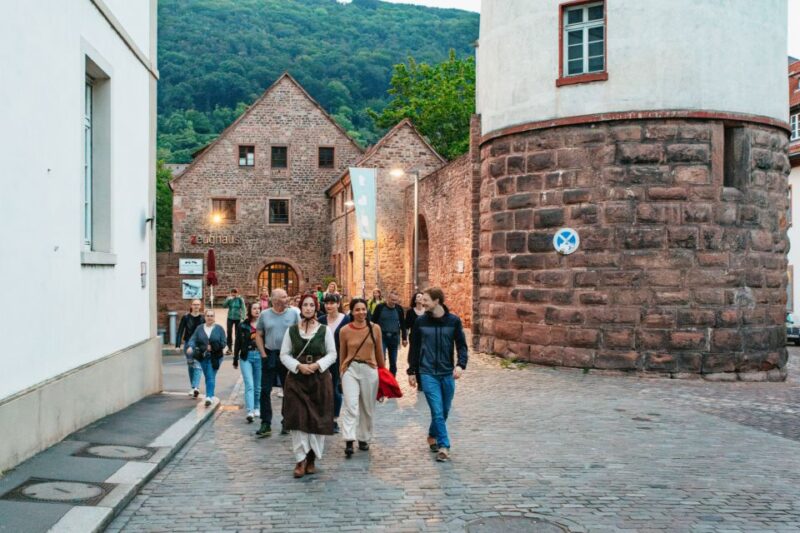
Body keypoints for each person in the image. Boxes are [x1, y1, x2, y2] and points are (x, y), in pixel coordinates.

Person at [279, 294, 337, 478]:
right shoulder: (292, 331)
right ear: (300, 307)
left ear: (316, 307)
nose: (309, 308)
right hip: (297, 380)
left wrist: (316, 366)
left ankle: (311, 457)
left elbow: (332, 354)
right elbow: (284, 354)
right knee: (298, 420)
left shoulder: (324, 330)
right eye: (305, 305)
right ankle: (299, 459)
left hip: (318, 380)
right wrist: (298, 366)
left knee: (316, 420)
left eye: (312, 305)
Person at [407, 287, 468, 462]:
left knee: (445, 410)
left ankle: (432, 435)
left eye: (425, 300)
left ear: (437, 301)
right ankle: (444, 446)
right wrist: (412, 371)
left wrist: (460, 365)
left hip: (447, 372)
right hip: (427, 373)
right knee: (437, 410)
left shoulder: (453, 321)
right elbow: (415, 347)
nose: (422, 303)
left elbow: (462, 346)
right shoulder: (420, 322)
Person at [338, 298, 384, 457]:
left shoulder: (375, 328)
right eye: (357, 309)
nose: (361, 312)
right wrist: (341, 372)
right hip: (350, 369)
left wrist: (383, 373)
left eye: (363, 309)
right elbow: (342, 354)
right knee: (351, 405)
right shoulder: (344, 330)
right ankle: (349, 439)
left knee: (367, 407)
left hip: (369, 369)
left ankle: (364, 438)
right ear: (351, 311)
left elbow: (379, 352)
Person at [255, 289, 300, 437]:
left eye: (287, 296)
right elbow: (259, 335)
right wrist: (263, 354)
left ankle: (286, 421)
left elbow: (301, 334)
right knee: (265, 390)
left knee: (289, 390)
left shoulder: (294, 314)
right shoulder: (264, 315)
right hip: (270, 354)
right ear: (275, 300)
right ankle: (265, 423)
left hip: (288, 356)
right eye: (284, 297)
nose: (288, 299)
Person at [318, 293, 350, 433]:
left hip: (339, 359)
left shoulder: (346, 319)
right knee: (322, 388)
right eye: (327, 303)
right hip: (323, 359)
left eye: (332, 303)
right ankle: (323, 416)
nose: (329, 306)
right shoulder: (320, 320)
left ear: (338, 304)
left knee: (335, 388)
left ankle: (334, 419)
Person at [185, 309, 227, 407]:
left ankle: (209, 397)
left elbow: (224, 343)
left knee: (210, 375)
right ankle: (210, 395)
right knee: (208, 375)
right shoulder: (199, 328)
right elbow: (193, 339)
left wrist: (213, 347)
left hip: (216, 357)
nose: (210, 317)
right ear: (205, 317)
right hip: (203, 357)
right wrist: (191, 347)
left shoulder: (219, 328)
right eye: (208, 315)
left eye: (212, 316)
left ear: (214, 317)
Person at [235, 302, 262, 423]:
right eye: (254, 308)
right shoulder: (243, 325)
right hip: (246, 356)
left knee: (258, 386)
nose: (257, 310)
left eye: (259, 309)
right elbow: (238, 342)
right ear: (250, 310)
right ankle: (250, 411)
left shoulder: (264, 325)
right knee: (249, 384)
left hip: (260, 356)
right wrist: (235, 358)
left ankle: (257, 407)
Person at [371, 290, 407, 376]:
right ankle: (381, 378)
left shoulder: (399, 309)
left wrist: (404, 338)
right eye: (392, 300)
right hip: (382, 337)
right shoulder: (380, 307)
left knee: (393, 362)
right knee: (381, 359)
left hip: (394, 337)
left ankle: (392, 380)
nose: (393, 302)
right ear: (388, 298)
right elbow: (373, 322)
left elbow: (402, 324)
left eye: (395, 300)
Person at [176, 299, 204, 398]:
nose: (196, 306)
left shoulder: (202, 318)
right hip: (188, 344)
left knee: (197, 365)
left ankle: (195, 387)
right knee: (191, 365)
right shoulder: (186, 317)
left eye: (198, 304)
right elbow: (180, 331)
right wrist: (177, 345)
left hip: (199, 345)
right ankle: (193, 386)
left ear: (200, 306)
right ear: (191, 305)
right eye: (194, 304)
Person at [223, 288, 245, 354]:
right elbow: (224, 306)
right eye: (232, 292)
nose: (233, 294)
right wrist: (227, 300)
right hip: (230, 318)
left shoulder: (240, 299)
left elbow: (243, 308)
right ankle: (229, 348)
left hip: (238, 318)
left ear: (237, 293)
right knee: (229, 332)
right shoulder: (229, 299)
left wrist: (243, 317)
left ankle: (237, 348)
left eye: (235, 292)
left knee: (237, 334)